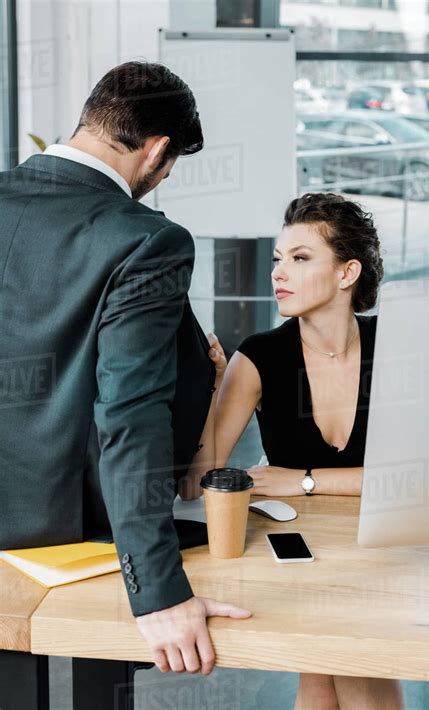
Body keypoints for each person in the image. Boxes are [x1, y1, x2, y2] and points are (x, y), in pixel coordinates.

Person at [0, 60, 250, 677]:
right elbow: (129, 415)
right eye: (170, 167)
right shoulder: (144, 240)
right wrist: (159, 591)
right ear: (159, 150)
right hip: (68, 541)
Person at [185, 192, 405, 707]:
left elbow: (421, 478)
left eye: (301, 259)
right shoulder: (259, 356)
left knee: (332, 672)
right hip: (302, 551)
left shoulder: (397, 346)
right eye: (278, 259)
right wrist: (212, 386)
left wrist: (303, 479)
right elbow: (201, 478)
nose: (278, 272)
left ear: (347, 273)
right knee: (333, 669)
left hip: (383, 547)